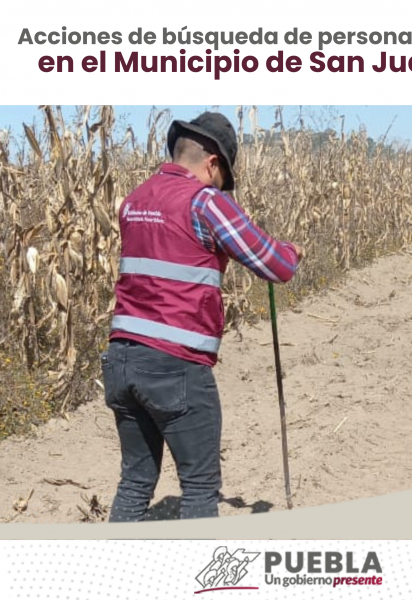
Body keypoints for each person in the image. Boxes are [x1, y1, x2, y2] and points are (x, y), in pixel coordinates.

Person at [101, 111, 304, 521]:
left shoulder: (135, 200)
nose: (219, 185)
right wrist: (291, 252)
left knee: (136, 481)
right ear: (213, 162)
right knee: (198, 487)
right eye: (221, 176)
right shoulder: (205, 201)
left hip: (121, 359)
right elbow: (274, 266)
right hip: (175, 364)